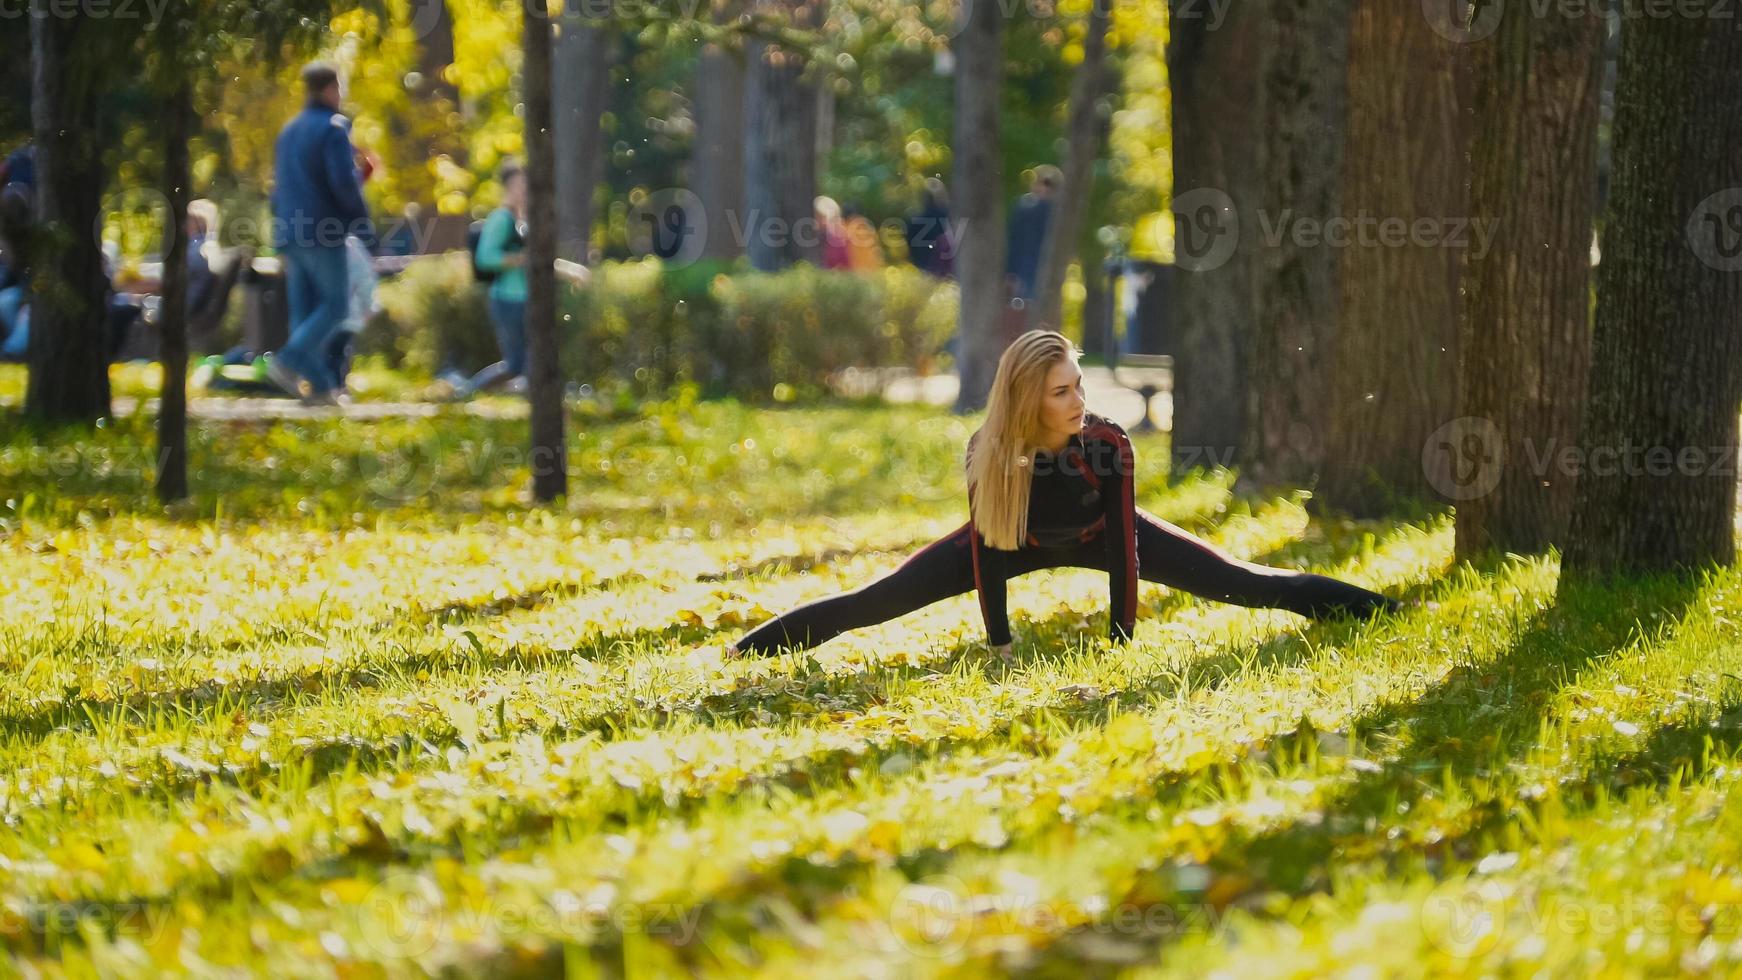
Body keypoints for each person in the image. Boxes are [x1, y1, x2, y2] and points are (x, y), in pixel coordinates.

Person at [726, 330, 1401, 657]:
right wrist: (1000, 645)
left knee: (1246, 583)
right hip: (1010, 539)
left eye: (1080, 383)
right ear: (1028, 398)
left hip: (1103, 537)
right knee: (872, 602)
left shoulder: (1108, 445)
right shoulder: (989, 452)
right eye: (1063, 390)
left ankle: (1389, 612)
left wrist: (1119, 641)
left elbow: (1128, 550)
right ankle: (740, 656)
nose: (1080, 399)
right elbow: (989, 556)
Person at [265, 62, 375, 405]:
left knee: (306, 311)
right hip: (323, 231)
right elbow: (342, 182)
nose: (341, 96)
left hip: (290, 231)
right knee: (337, 307)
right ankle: (286, 362)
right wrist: (361, 219)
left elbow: (279, 187)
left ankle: (324, 388)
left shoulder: (289, 131)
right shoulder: (334, 128)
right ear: (330, 89)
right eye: (340, 88)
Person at [453, 161, 589, 398]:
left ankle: (537, 398)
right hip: (507, 299)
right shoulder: (501, 219)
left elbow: (537, 261)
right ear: (507, 187)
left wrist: (570, 271)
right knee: (517, 363)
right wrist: (518, 259)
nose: (524, 189)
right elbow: (486, 257)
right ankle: (465, 393)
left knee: (534, 357)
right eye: (519, 184)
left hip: (526, 298)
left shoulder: (523, 221)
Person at [1005, 165, 1061, 303]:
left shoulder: (1057, 211)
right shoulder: (1024, 207)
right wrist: (1011, 272)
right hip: (1025, 270)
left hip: (1045, 270)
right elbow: (1014, 240)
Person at [905, 178, 954, 279]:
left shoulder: (915, 220)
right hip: (946, 272)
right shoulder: (949, 217)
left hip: (922, 270)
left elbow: (910, 246)